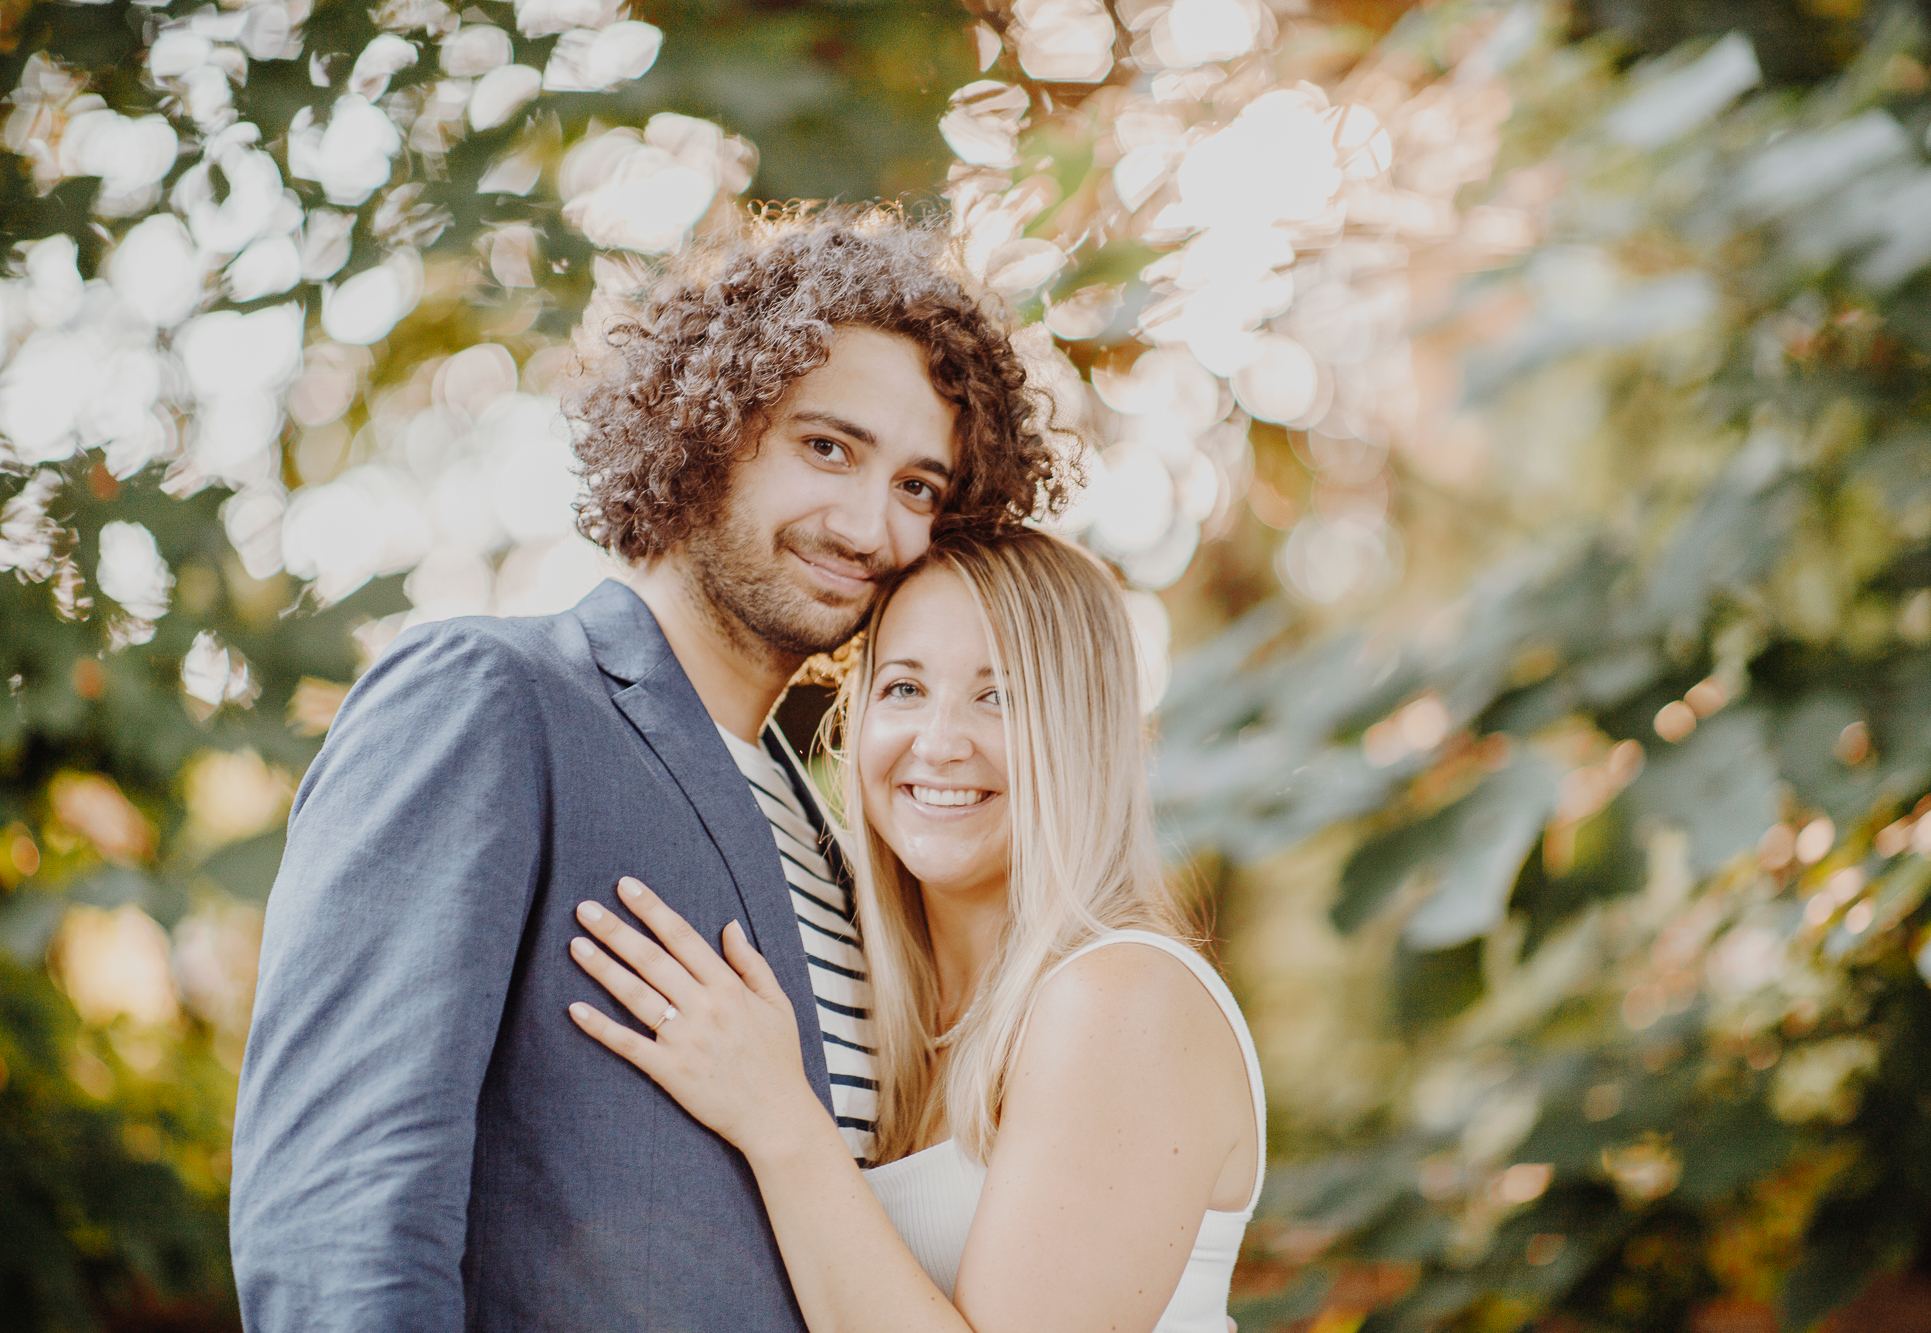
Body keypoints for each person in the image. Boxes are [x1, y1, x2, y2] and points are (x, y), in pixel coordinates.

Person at [228, 210, 1071, 1332]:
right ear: (706, 427)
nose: (869, 523)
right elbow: (338, 1221)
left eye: (919, 487)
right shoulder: (489, 699)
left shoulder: (833, 832)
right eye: (827, 447)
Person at [568, 530, 1266, 1333]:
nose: (937, 744)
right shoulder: (881, 1011)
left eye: (997, 695)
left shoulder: (1121, 997)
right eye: (903, 688)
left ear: (1080, 731)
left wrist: (777, 1117)